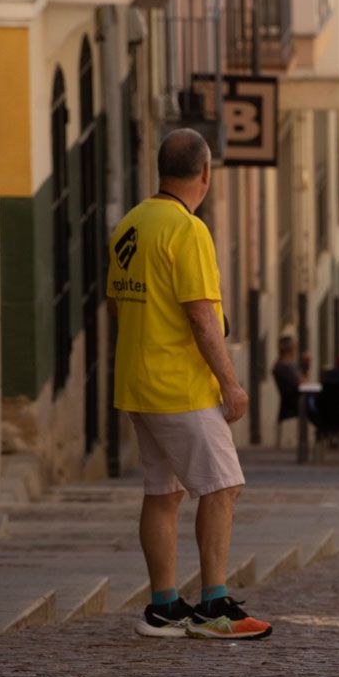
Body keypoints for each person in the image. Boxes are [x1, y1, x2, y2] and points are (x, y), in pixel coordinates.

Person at [107, 128, 271, 640]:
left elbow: (116, 304)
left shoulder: (131, 224)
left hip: (138, 382)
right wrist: (231, 384)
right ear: (205, 172)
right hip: (180, 386)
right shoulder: (187, 229)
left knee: (162, 493)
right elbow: (201, 316)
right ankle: (215, 606)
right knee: (223, 486)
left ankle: (163, 607)